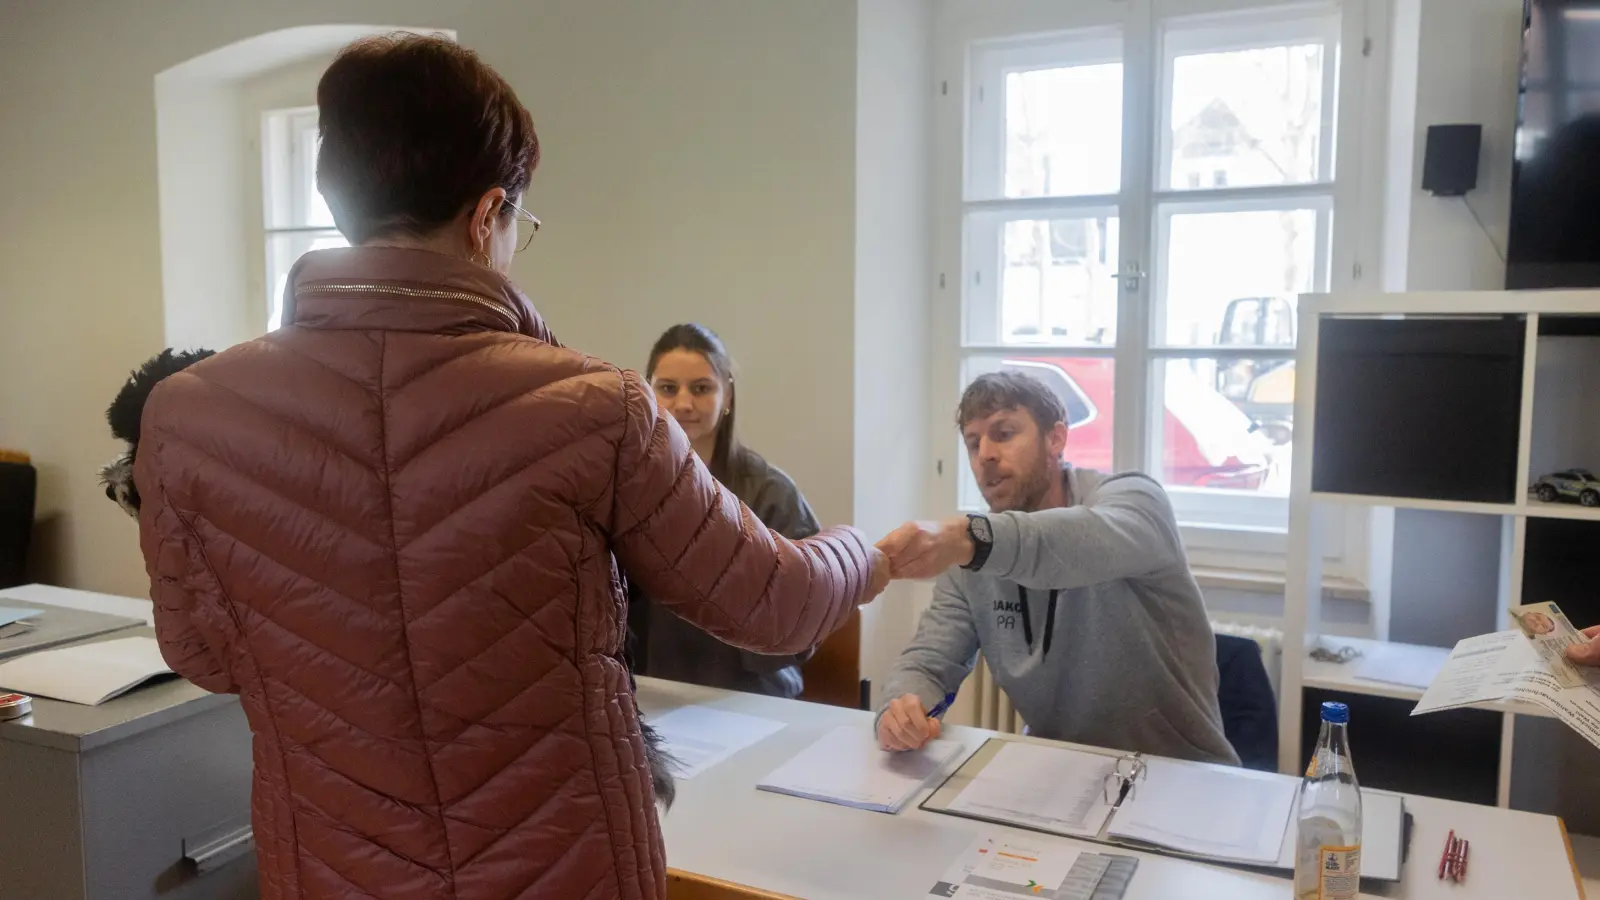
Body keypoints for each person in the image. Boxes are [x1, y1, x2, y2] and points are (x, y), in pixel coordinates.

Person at [132, 35, 888, 900]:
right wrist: (863, 550)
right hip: (564, 869)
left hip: (333, 868)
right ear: (487, 214)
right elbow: (777, 605)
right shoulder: (594, 407)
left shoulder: (189, 412)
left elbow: (200, 651)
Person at [874, 371, 1238, 765]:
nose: (986, 455)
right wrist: (900, 710)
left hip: (1179, 777)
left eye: (1004, 433)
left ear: (1056, 438)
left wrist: (967, 539)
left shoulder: (1135, 500)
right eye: (973, 443)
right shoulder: (971, 554)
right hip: (1061, 776)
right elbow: (929, 662)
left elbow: (1078, 545)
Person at [628, 324, 822, 699]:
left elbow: (804, 614)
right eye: (668, 388)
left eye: (701, 388)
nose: (683, 404)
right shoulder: (626, 487)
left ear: (727, 395)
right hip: (653, 692)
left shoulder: (771, 493)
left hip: (751, 697)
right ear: (647, 393)